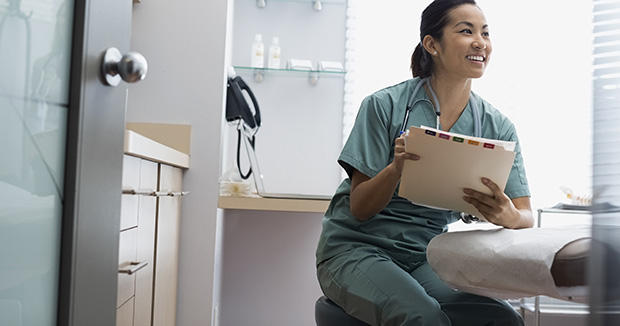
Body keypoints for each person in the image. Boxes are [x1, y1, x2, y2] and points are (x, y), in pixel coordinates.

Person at [315, 0, 534, 325]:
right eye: (466, 31)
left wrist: (508, 215)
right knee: (423, 316)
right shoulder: (384, 106)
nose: (481, 42)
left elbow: (525, 215)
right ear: (432, 44)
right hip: (356, 250)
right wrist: (396, 169)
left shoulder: (496, 126)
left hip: (424, 257)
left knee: (500, 319)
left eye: (485, 33)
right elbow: (359, 208)